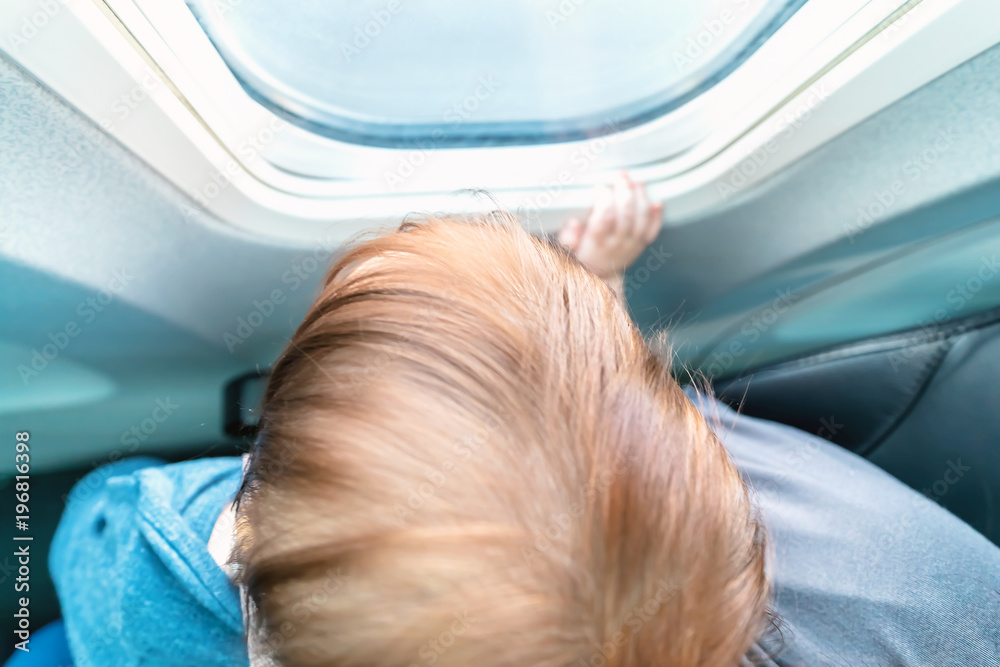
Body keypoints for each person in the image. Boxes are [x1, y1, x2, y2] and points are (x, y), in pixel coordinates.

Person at [47, 173, 1000, 667]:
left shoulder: (165, 577)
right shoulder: (663, 480)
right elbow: (581, 426)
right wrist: (601, 289)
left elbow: (85, 536)